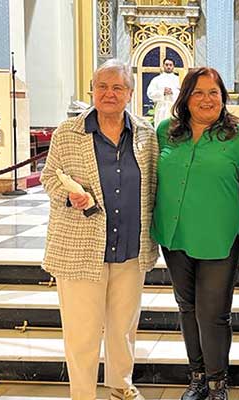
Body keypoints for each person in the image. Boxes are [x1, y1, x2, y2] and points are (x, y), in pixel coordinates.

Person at [41, 59, 158, 400]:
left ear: (130, 93)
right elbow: (49, 178)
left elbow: (153, 184)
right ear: (92, 90)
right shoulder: (68, 132)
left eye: (117, 87)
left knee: (123, 328)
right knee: (82, 331)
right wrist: (69, 195)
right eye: (102, 87)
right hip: (80, 248)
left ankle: (121, 385)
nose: (109, 93)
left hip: (130, 248)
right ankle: (83, 394)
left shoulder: (146, 134)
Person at [151, 67, 239, 400]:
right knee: (187, 308)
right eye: (198, 92)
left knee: (213, 314)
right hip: (175, 236)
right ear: (186, 98)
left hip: (220, 239)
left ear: (223, 98)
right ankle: (197, 377)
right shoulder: (166, 132)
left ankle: (217, 382)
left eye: (213, 93)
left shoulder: (238, 137)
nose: (206, 99)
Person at [147, 57, 181, 127]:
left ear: (173, 66)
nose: (168, 67)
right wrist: (162, 92)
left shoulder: (178, 80)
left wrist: (173, 92)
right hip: (161, 108)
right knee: (161, 127)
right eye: (166, 65)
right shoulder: (156, 79)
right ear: (163, 66)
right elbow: (150, 93)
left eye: (170, 65)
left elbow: (183, 93)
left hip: (174, 108)